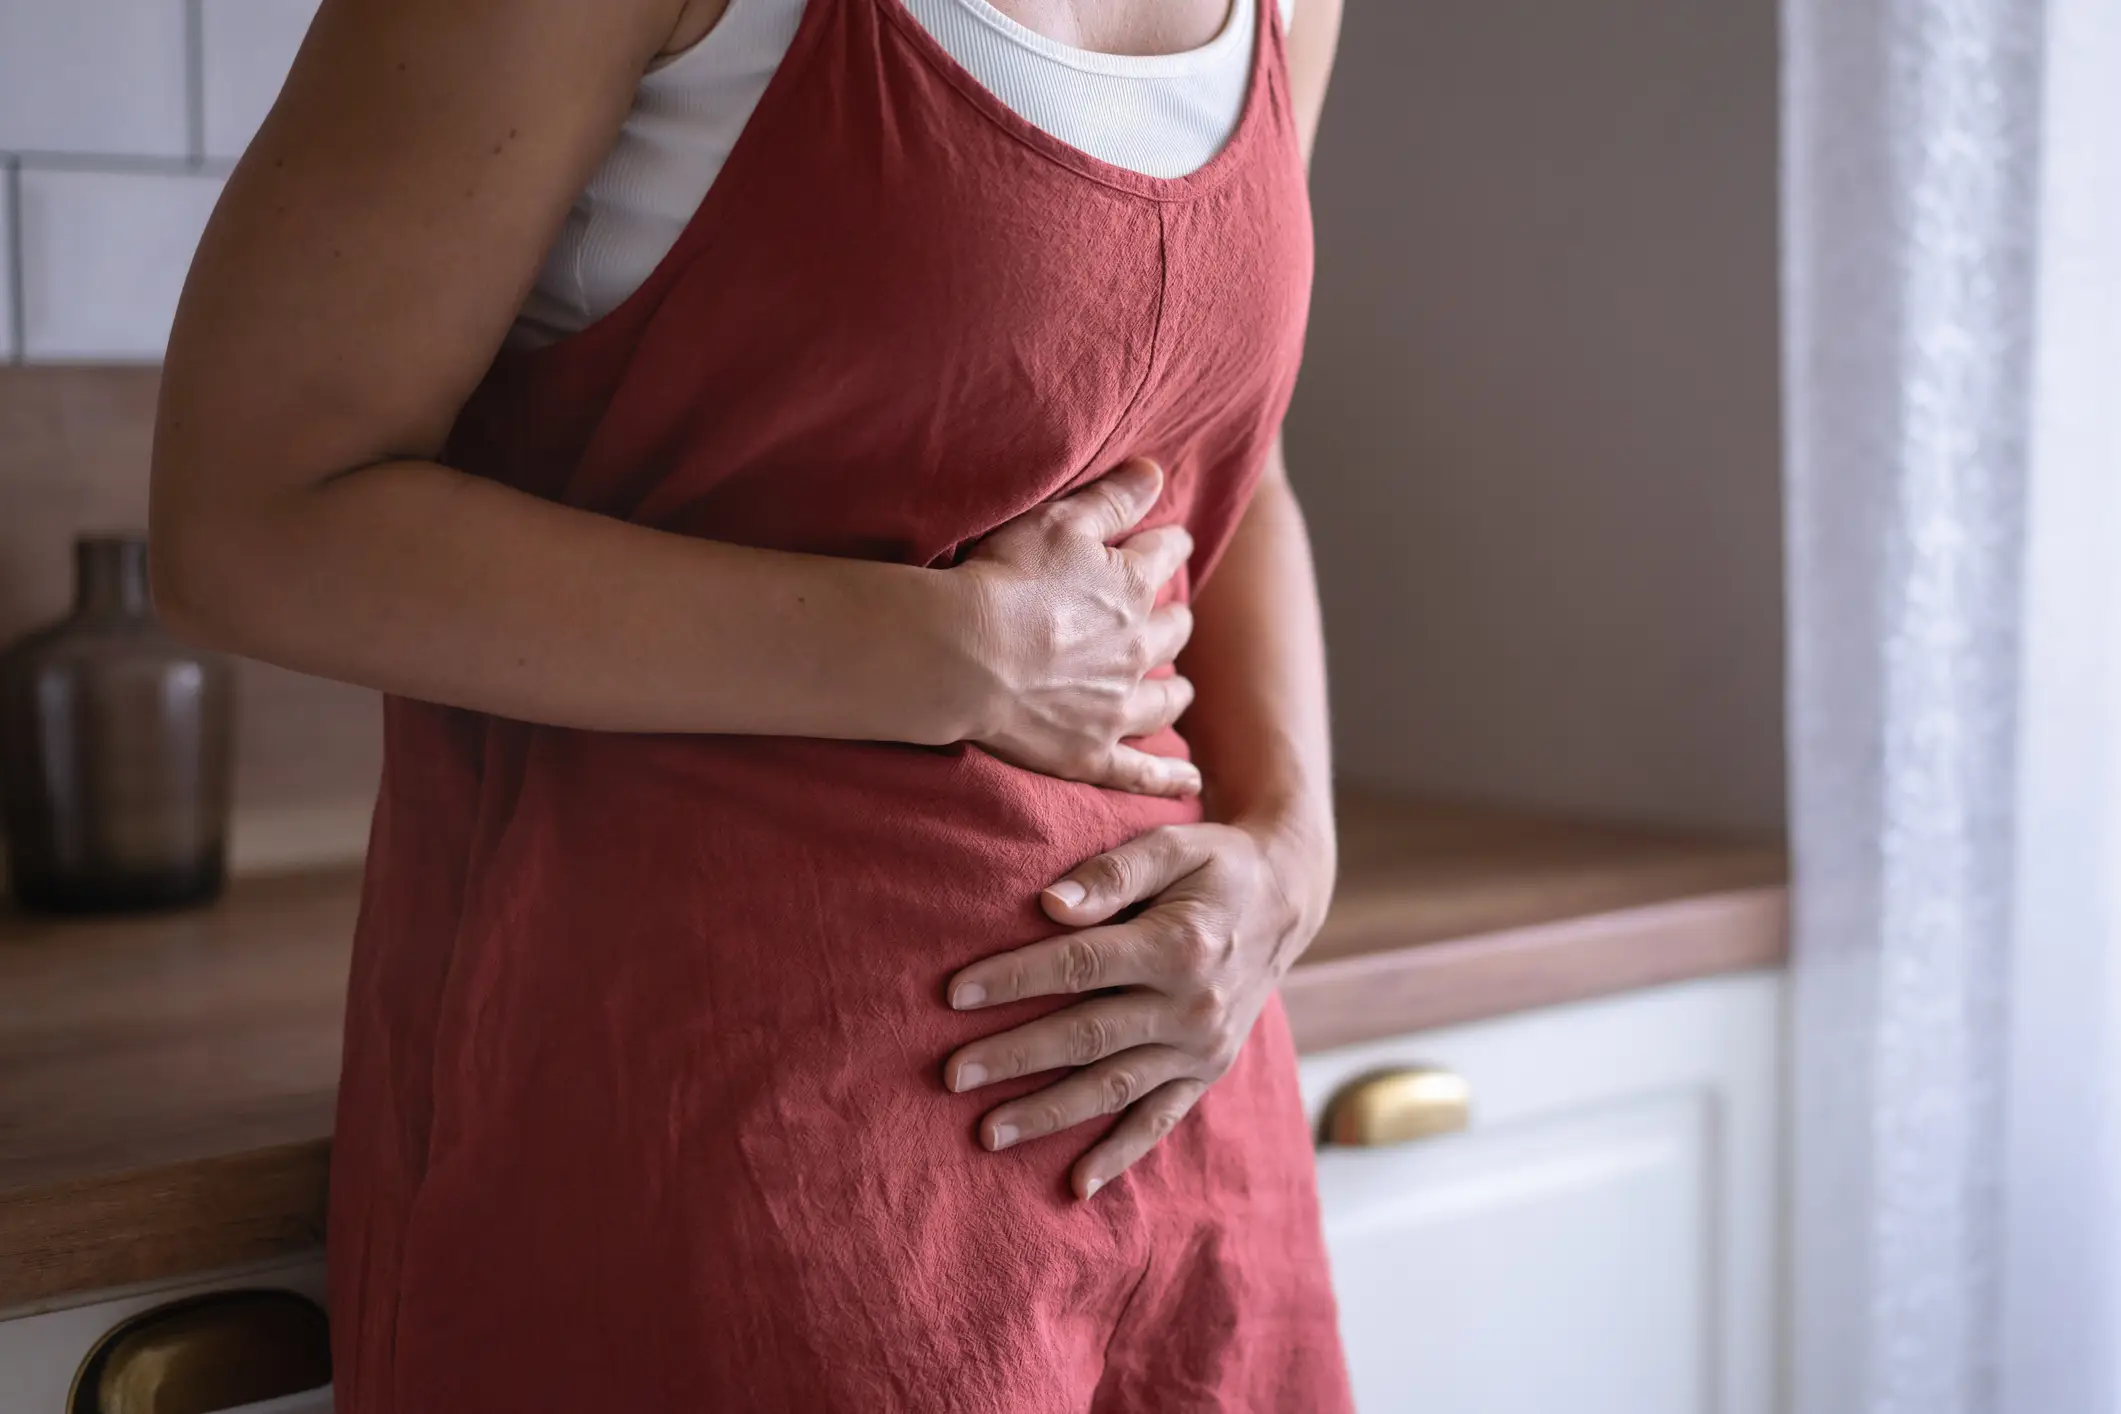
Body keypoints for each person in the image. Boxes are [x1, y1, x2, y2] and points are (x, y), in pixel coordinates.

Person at [150, 0, 1350, 1404]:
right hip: (732, 1145)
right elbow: (254, 524)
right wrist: (945, 651)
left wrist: (1292, 854)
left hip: (1193, 1110)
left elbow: (1227, 460)